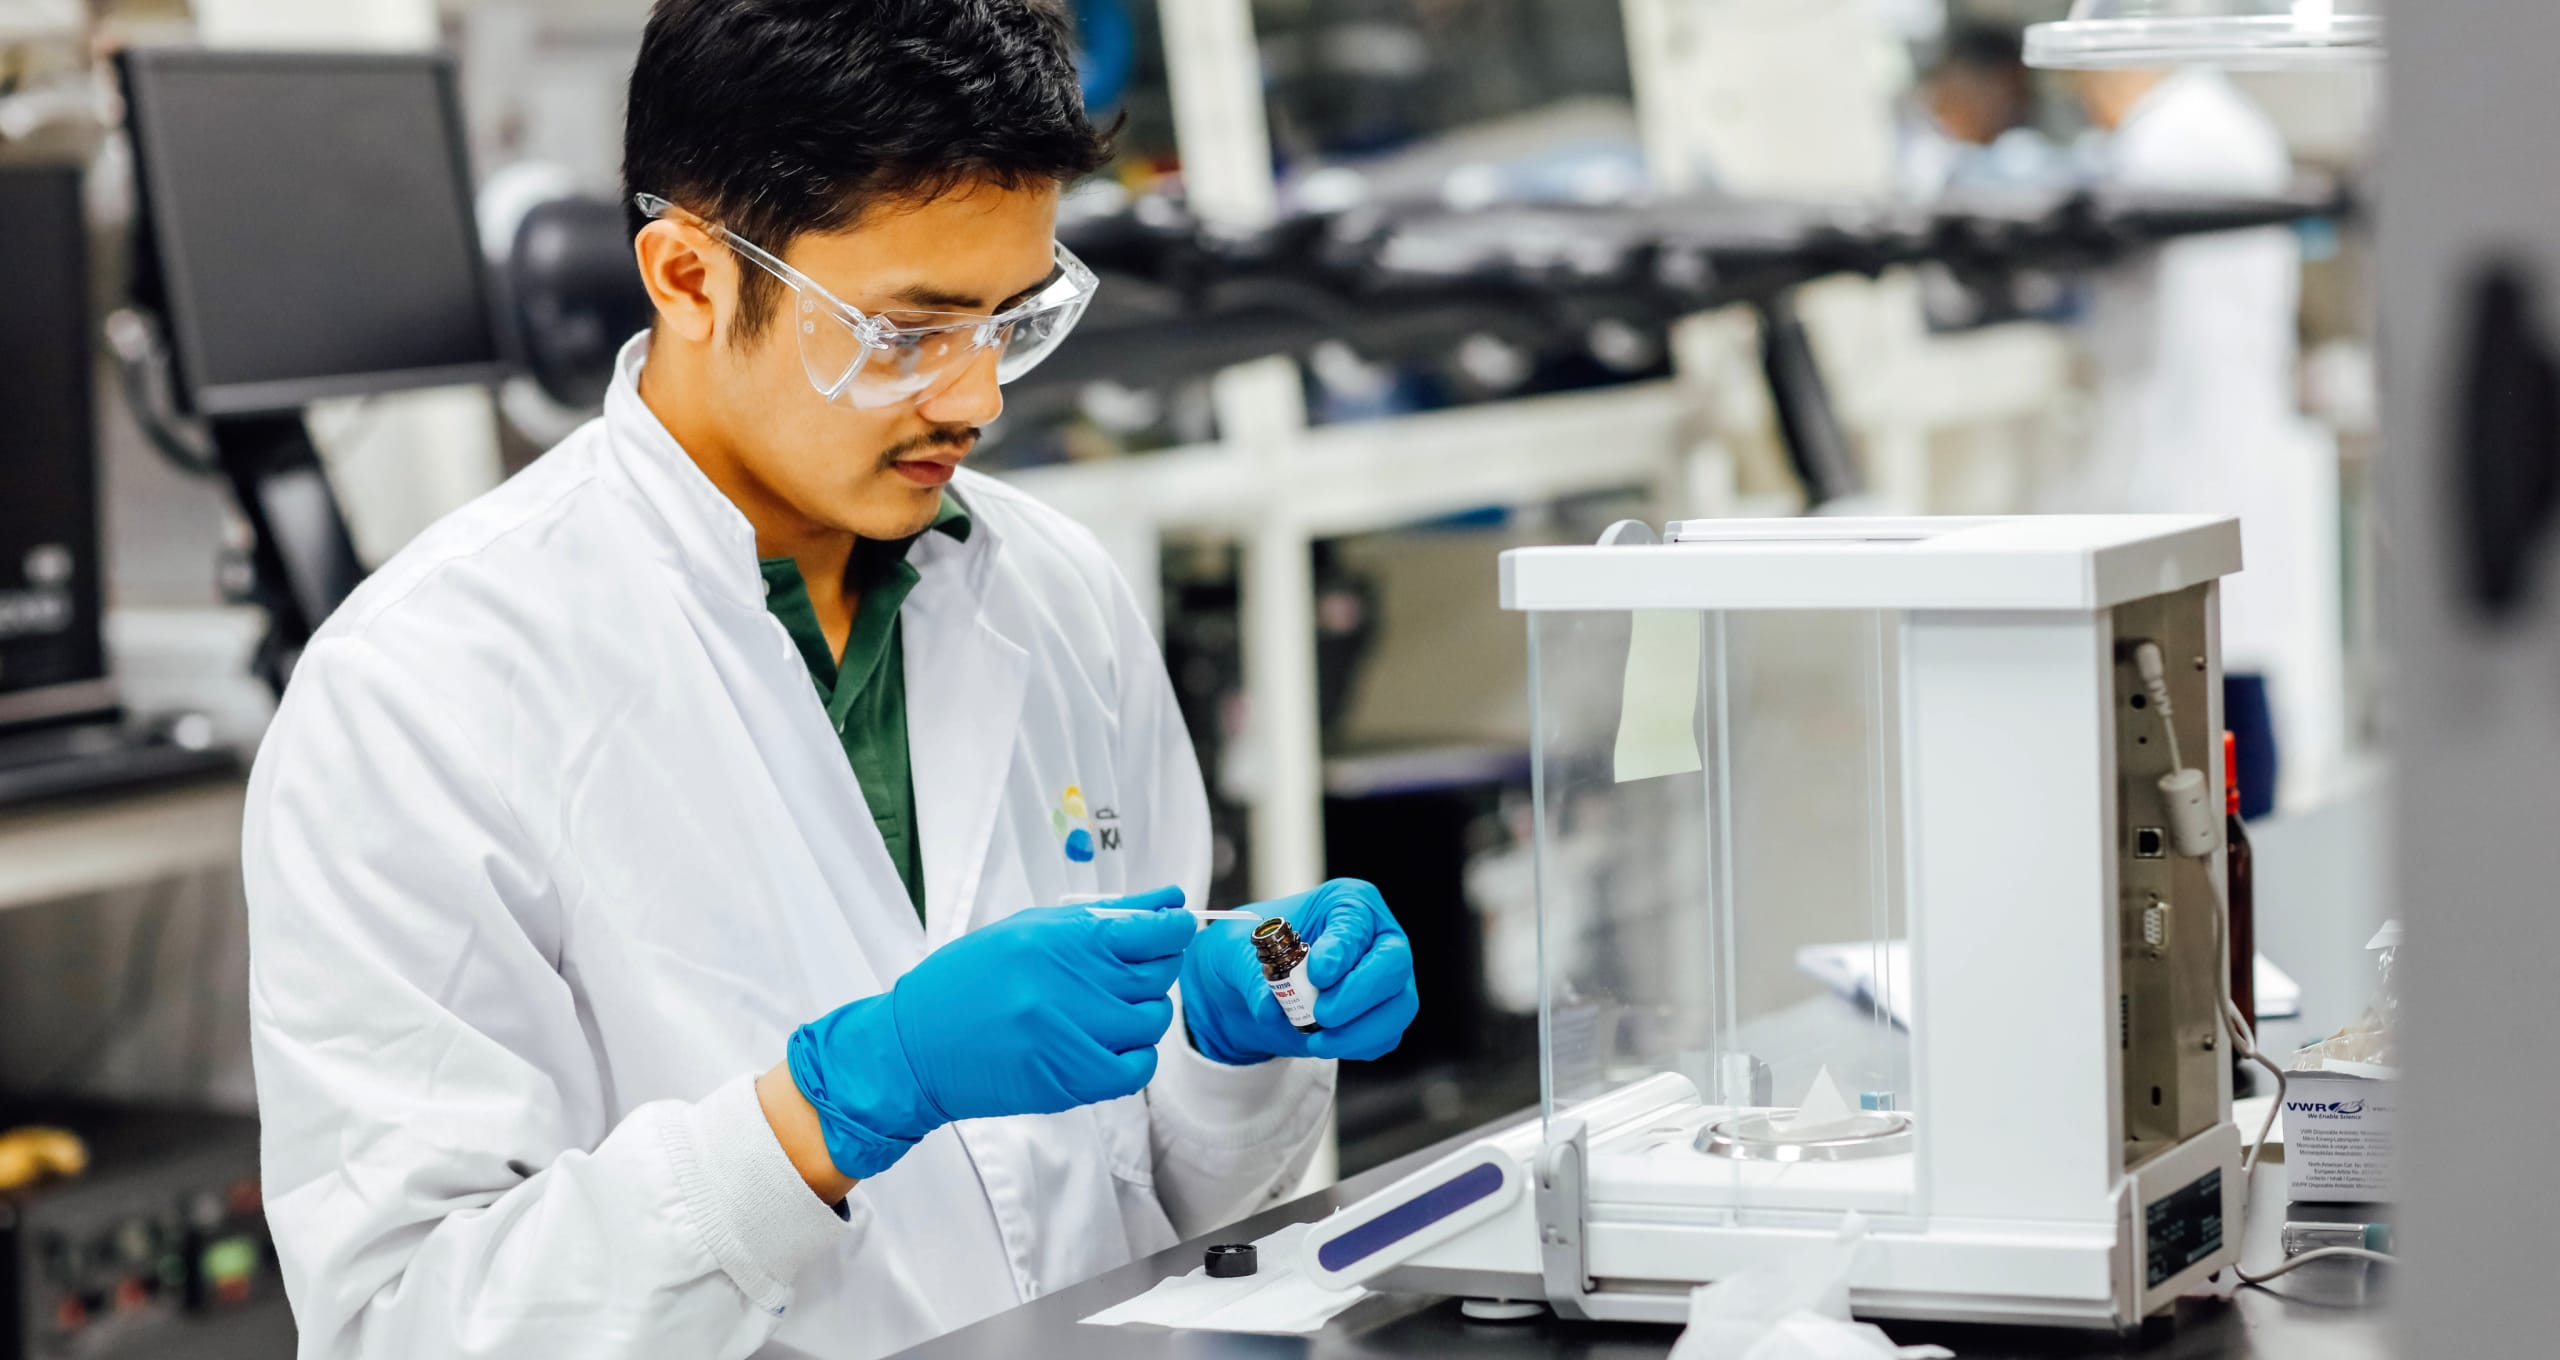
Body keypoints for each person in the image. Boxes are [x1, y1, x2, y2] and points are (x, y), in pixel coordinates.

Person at [240, 3, 1420, 1357]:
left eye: (1012, 320)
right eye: (907, 332)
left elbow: (1151, 1215)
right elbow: (411, 1324)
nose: (975, 400)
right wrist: (832, 1108)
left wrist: (1236, 1039)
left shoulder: (1060, 594)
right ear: (689, 277)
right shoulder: (422, 692)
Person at [2057, 66, 2313, 814]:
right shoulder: (2212, 124)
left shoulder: (2176, 137)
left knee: (2209, 681)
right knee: (2223, 661)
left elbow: (2113, 268)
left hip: (2189, 442)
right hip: (2207, 435)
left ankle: (2240, 858)